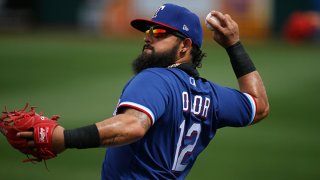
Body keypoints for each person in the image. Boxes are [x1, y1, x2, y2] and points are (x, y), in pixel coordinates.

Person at [18, 3, 269, 179]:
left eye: (159, 32)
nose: (148, 37)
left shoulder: (155, 78)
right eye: (148, 31)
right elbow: (259, 106)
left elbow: (134, 125)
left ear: (185, 46)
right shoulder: (210, 96)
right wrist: (234, 45)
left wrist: (64, 139)